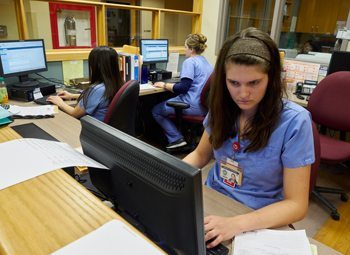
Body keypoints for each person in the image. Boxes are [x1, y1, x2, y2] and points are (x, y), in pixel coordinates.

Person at [183, 27, 314, 248]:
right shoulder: (222, 108)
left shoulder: (294, 122)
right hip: (213, 202)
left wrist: (235, 224)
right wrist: (168, 177)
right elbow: (199, 155)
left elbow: (296, 205)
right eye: (234, 83)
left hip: (258, 217)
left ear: (271, 78)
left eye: (254, 83)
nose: (243, 94)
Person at [152, 33, 213, 150]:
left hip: (190, 106)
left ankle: (176, 139)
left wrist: (164, 84)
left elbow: (183, 88)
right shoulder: (207, 62)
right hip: (204, 107)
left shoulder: (190, 62)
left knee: (156, 110)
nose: (184, 49)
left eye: (185, 47)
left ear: (191, 49)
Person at [47, 46, 123, 122]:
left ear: (97, 66)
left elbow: (74, 113)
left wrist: (60, 103)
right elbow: (99, 98)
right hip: (109, 129)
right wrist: (72, 96)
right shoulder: (117, 83)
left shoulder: (97, 89)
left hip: (93, 129)